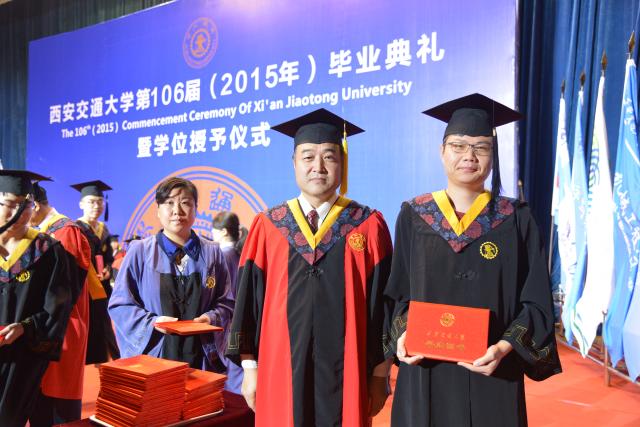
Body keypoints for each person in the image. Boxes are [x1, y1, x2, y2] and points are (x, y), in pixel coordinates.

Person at [385, 93, 562, 426]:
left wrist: (504, 347)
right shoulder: (414, 216)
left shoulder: (516, 219)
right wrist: (403, 334)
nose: (469, 156)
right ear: (442, 151)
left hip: (494, 373)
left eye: (481, 147)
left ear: (493, 156)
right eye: (458, 146)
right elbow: (397, 296)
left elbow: (537, 301)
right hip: (426, 374)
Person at [226, 108, 393, 426]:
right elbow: (248, 304)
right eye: (308, 157)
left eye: (329, 156)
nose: (318, 166)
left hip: (349, 375)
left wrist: (380, 373)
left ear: (343, 163)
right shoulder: (269, 226)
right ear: (294, 163)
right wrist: (250, 368)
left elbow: (384, 306)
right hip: (280, 372)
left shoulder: (368, 225)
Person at [108, 177, 235, 375]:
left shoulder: (212, 253)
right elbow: (120, 305)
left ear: (195, 208)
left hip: (201, 358)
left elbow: (227, 303)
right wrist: (152, 323)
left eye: (185, 202)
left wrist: (210, 318)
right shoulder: (139, 252)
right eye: (169, 203)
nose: (177, 211)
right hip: (155, 356)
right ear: (158, 210)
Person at [0, 170, 73, 427]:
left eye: (26, 205)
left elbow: (58, 309)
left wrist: (25, 327)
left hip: (22, 358)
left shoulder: (47, 251)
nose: (18, 213)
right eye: (10, 204)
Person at [28, 182, 93, 426]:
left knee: (58, 405)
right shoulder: (41, 231)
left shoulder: (65, 232)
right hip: (44, 326)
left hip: (63, 328)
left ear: (34, 205)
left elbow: (65, 291)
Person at [71, 179, 120, 363]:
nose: (97, 206)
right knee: (89, 328)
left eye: (100, 202)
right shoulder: (76, 228)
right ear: (81, 204)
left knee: (103, 326)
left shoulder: (103, 229)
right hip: (84, 289)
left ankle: (105, 361)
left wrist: (107, 268)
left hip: (102, 287)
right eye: (91, 202)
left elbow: (107, 257)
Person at [211, 211, 246, 394]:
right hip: (241, 321)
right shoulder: (241, 254)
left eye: (214, 230)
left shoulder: (222, 256)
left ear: (224, 231)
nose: (211, 233)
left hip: (227, 321)